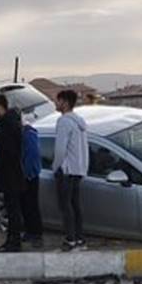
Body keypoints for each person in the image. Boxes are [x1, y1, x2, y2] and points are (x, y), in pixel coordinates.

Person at [0, 94, 27, 252]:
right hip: (11, 173)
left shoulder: (7, 125)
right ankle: (11, 239)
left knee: (13, 209)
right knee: (11, 209)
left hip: (10, 173)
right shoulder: (9, 123)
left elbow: (9, 152)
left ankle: (14, 241)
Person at [53, 89, 89, 251]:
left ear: (65, 103)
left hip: (66, 170)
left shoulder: (64, 122)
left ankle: (70, 239)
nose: (56, 103)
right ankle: (80, 239)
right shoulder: (79, 122)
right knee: (75, 205)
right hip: (78, 169)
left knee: (65, 206)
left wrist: (56, 167)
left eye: (58, 101)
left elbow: (60, 149)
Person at [20, 122, 44, 248]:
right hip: (28, 174)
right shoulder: (27, 134)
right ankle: (30, 231)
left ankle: (36, 233)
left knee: (32, 205)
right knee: (26, 205)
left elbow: (31, 156)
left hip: (30, 176)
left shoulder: (28, 135)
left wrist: (27, 174)